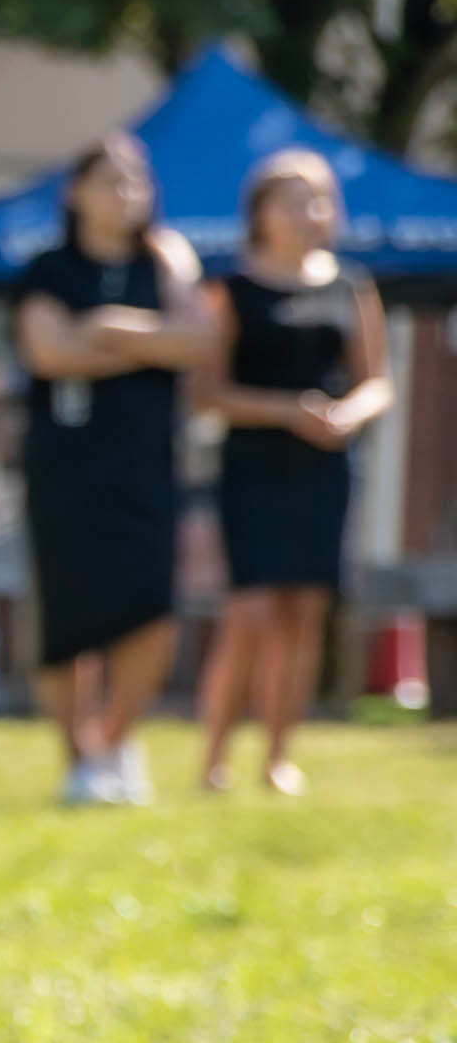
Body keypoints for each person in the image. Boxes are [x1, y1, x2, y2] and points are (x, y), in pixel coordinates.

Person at [11, 135, 207, 807]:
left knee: (150, 610)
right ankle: (79, 760)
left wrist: (108, 329)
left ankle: (116, 740)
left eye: (137, 181)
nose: (127, 194)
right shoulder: (49, 270)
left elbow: (196, 340)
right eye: (111, 181)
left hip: (147, 465)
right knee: (69, 616)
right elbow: (50, 354)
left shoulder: (167, 258)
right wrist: (150, 348)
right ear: (76, 193)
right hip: (66, 468)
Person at [194, 148, 390, 796]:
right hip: (254, 464)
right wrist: (286, 409)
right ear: (260, 213)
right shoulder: (232, 290)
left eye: (317, 199)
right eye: (291, 200)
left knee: (304, 612)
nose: (306, 212)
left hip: (323, 466)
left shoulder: (350, 285)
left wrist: (346, 415)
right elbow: (205, 391)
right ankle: (215, 758)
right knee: (249, 611)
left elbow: (377, 382)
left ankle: (278, 757)